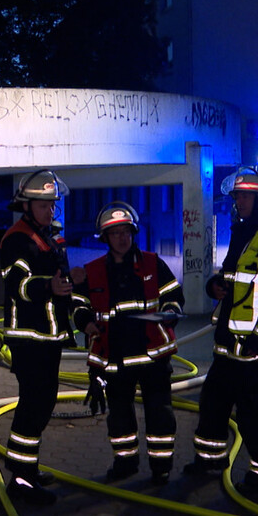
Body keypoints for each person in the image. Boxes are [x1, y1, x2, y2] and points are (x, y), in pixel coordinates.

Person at [182, 167, 258, 501]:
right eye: (237, 196)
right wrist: (214, 285)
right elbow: (234, 279)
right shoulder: (242, 233)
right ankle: (209, 460)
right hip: (229, 349)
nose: (239, 201)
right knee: (212, 406)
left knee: (255, 418)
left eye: (245, 195)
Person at [71, 201, 184, 485]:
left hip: (153, 358)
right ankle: (125, 463)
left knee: (160, 416)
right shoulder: (93, 271)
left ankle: (161, 468)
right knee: (119, 418)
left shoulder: (153, 263)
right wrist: (85, 321)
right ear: (105, 238)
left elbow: (174, 296)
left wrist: (170, 312)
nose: (122, 238)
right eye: (115, 233)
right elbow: (78, 305)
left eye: (126, 232)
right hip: (114, 358)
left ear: (133, 233)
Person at [0, 169, 75, 505]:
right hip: (29, 338)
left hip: (49, 336)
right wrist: (48, 286)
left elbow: (62, 278)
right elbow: (18, 286)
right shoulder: (17, 239)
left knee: (41, 405)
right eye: (43, 205)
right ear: (26, 205)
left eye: (52, 204)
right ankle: (20, 480)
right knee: (33, 407)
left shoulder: (49, 237)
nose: (49, 210)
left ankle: (26, 469)